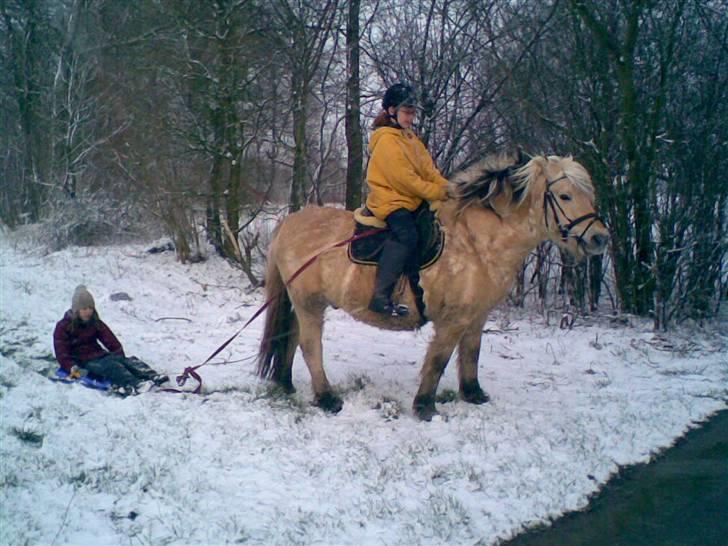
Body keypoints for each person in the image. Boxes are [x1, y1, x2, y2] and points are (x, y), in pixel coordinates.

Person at [365, 82, 450, 316]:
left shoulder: (410, 138)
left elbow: (429, 171)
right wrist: (437, 192)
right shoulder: (386, 140)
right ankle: (381, 296)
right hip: (390, 200)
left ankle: (417, 292)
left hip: (411, 199)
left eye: (413, 112)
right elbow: (406, 180)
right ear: (391, 111)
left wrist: (451, 189)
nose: (411, 117)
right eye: (406, 112)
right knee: (407, 235)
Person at [53, 285, 168, 394]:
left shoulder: (94, 322)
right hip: (82, 361)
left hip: (98, 354)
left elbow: (109, 339)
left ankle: (152, 375)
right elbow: (61, 352)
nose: (88, 311)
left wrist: (119, 355)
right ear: (76, 309)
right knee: (111, 366)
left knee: (126, 361)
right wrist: (72, 368)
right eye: (84, 308)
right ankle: (135, 384)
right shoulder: (63, 326)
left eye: (90, 308)